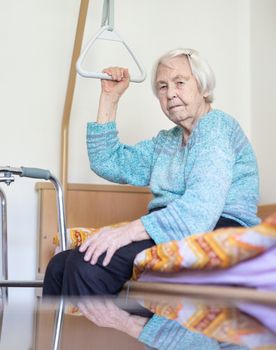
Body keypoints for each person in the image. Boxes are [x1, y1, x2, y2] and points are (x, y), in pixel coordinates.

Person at [43, 48, 260, 296]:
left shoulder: (217, 127)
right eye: (162, 87)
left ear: (205, 88)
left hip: (217, 230)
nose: (170, 94)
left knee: (87, 265)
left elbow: (200, 212)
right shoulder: (167, 141)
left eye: (180, 82)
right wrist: (109, 98)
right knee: (60, 265)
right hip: (172, 229)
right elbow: (107, 161)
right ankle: (59, 335)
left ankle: (95, 335)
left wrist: (127, 231)